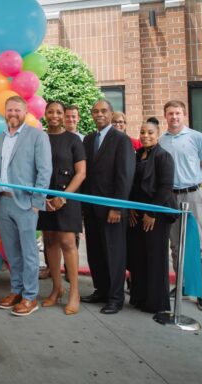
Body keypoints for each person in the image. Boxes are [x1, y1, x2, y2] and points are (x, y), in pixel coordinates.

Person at [0, 96, 52, 317]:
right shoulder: (0, 138)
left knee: (28, 252)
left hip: (25, 203)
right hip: (2, 202)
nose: (13, 113)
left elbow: (45, 171)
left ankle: (30, 296)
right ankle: (16, 291)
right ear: (4, 112)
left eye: (17, 110)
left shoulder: (37, 136)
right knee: (12, 252)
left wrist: (37, 202)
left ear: (25, 112)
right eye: (9, 110)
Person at [80, 99, 135, 314]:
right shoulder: (89, 139)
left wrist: (117, 207)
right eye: (95, 111)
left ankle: (115, 297)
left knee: (114, 253)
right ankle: (101, 290)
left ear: (111, 114)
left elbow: (125, 176)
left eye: (103, 111)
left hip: (111, 209)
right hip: (91, 208)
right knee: (96, 252)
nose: (99, 114)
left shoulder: (121, 140)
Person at [159, 99, 202, 312]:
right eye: (171, 113)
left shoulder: (198, 138)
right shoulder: (161, 140)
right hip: (171, 198)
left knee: (197, 244)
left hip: (192, 195)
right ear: (166, 116)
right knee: (175, 245)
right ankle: (181, 285)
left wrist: (196, 185)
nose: (174, 117)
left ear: (184, 115)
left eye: (178, 113)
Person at [37, 101, 86, 316]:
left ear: (64, 115)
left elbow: (81, 173)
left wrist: (63, 197)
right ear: (45, 114)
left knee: (67, 242)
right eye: (51, 111)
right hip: (45, 198)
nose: (54, 115)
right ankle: (57, 289)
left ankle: (74, 292)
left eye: (59, 112)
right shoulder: (40, 138)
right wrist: (42, 197)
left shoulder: (73, 140)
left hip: (67, 197)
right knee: (49, 241)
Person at [127, 117, 177, 313]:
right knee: (138, 256)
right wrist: (130, 208)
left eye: (150, 133)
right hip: (136, 213)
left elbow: (165, 187)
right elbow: (130, 183)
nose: (145, 136)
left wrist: (151, 212)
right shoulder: (136, 155)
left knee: (155, 257)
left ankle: (156, 302)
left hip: (156, 214)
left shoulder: (163, 156)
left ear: (157, 135)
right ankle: (139, 297)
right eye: (142, 132)